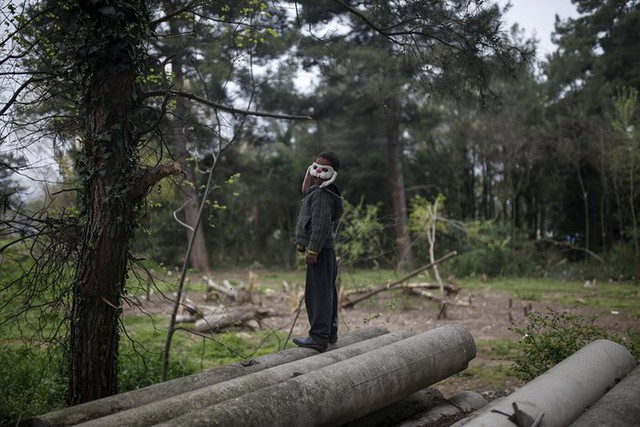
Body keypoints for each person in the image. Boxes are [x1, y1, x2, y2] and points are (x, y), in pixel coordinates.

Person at [293, 151, 344, 352]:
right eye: (314, 167)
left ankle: (319, 337)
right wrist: (303, 242)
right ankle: (329, 333)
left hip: (321, 252)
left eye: (323, 169)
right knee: (326, 292)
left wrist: (313, 249)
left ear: (331, 173)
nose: (316, 172)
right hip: (324, 251)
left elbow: (321, 225)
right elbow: (309, 221)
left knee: (318, 293)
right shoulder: (321, 192)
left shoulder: (323, 194)